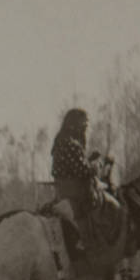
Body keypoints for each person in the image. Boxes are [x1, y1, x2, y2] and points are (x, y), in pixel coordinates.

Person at [51, 108, 122, 258]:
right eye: (84, 125)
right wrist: (100, 163)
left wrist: (89, 160)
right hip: (75, 191)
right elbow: (83, 171)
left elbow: (74, 167)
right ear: (76, 124)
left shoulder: (62, 142)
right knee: (109, 205)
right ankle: (97, 244)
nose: (86, 128)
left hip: (63, 188)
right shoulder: (71, 143)